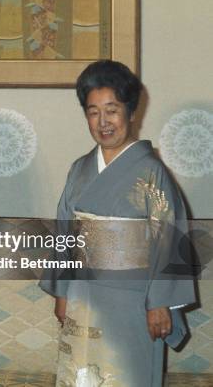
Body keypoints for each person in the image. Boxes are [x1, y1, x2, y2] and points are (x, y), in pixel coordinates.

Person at [39, 60, 195, 386]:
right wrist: (61, 292)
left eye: (112, 109)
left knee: (128, 374)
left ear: (131, 112)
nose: (103, 121)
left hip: (133, 300)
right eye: (93, 112)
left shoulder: (152, 173)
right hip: (82, 294)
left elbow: (170, 238)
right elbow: (66, 232)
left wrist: (161, 303)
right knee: (80, 373)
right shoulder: (79, 170)